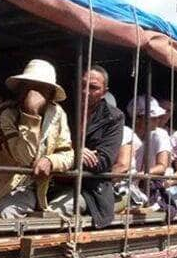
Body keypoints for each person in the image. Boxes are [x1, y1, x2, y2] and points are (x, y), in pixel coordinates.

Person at [0, 59, 74, 218]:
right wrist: (31, 115)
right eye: (29, 86)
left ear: (49, 94)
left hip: (31, 189)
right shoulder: (4, 114)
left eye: (40, 89)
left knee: (8, 213)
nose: (33, 94)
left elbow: (68, 155)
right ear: (20, 88)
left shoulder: (57, 114)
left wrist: (50, 160)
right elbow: (26, 157)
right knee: (3, 214)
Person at [50, 65, 123, 228]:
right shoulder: (61, 109)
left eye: (93, 87)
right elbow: (46, 146)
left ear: (104, 91)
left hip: (89, 190)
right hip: (51, 181)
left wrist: (61, 157)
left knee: (53, 213)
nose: (85, 91)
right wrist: (75, 153)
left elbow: (103, 161)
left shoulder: (113, 117)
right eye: (82, 85)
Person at [126, 96, 173, 177]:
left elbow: (162, 166)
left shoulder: (161, 134)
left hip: (148, 184)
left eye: (157, 117)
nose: (157, 120)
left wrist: (140, 175)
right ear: (137, 118)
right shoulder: (126, 134)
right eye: (153, 117)